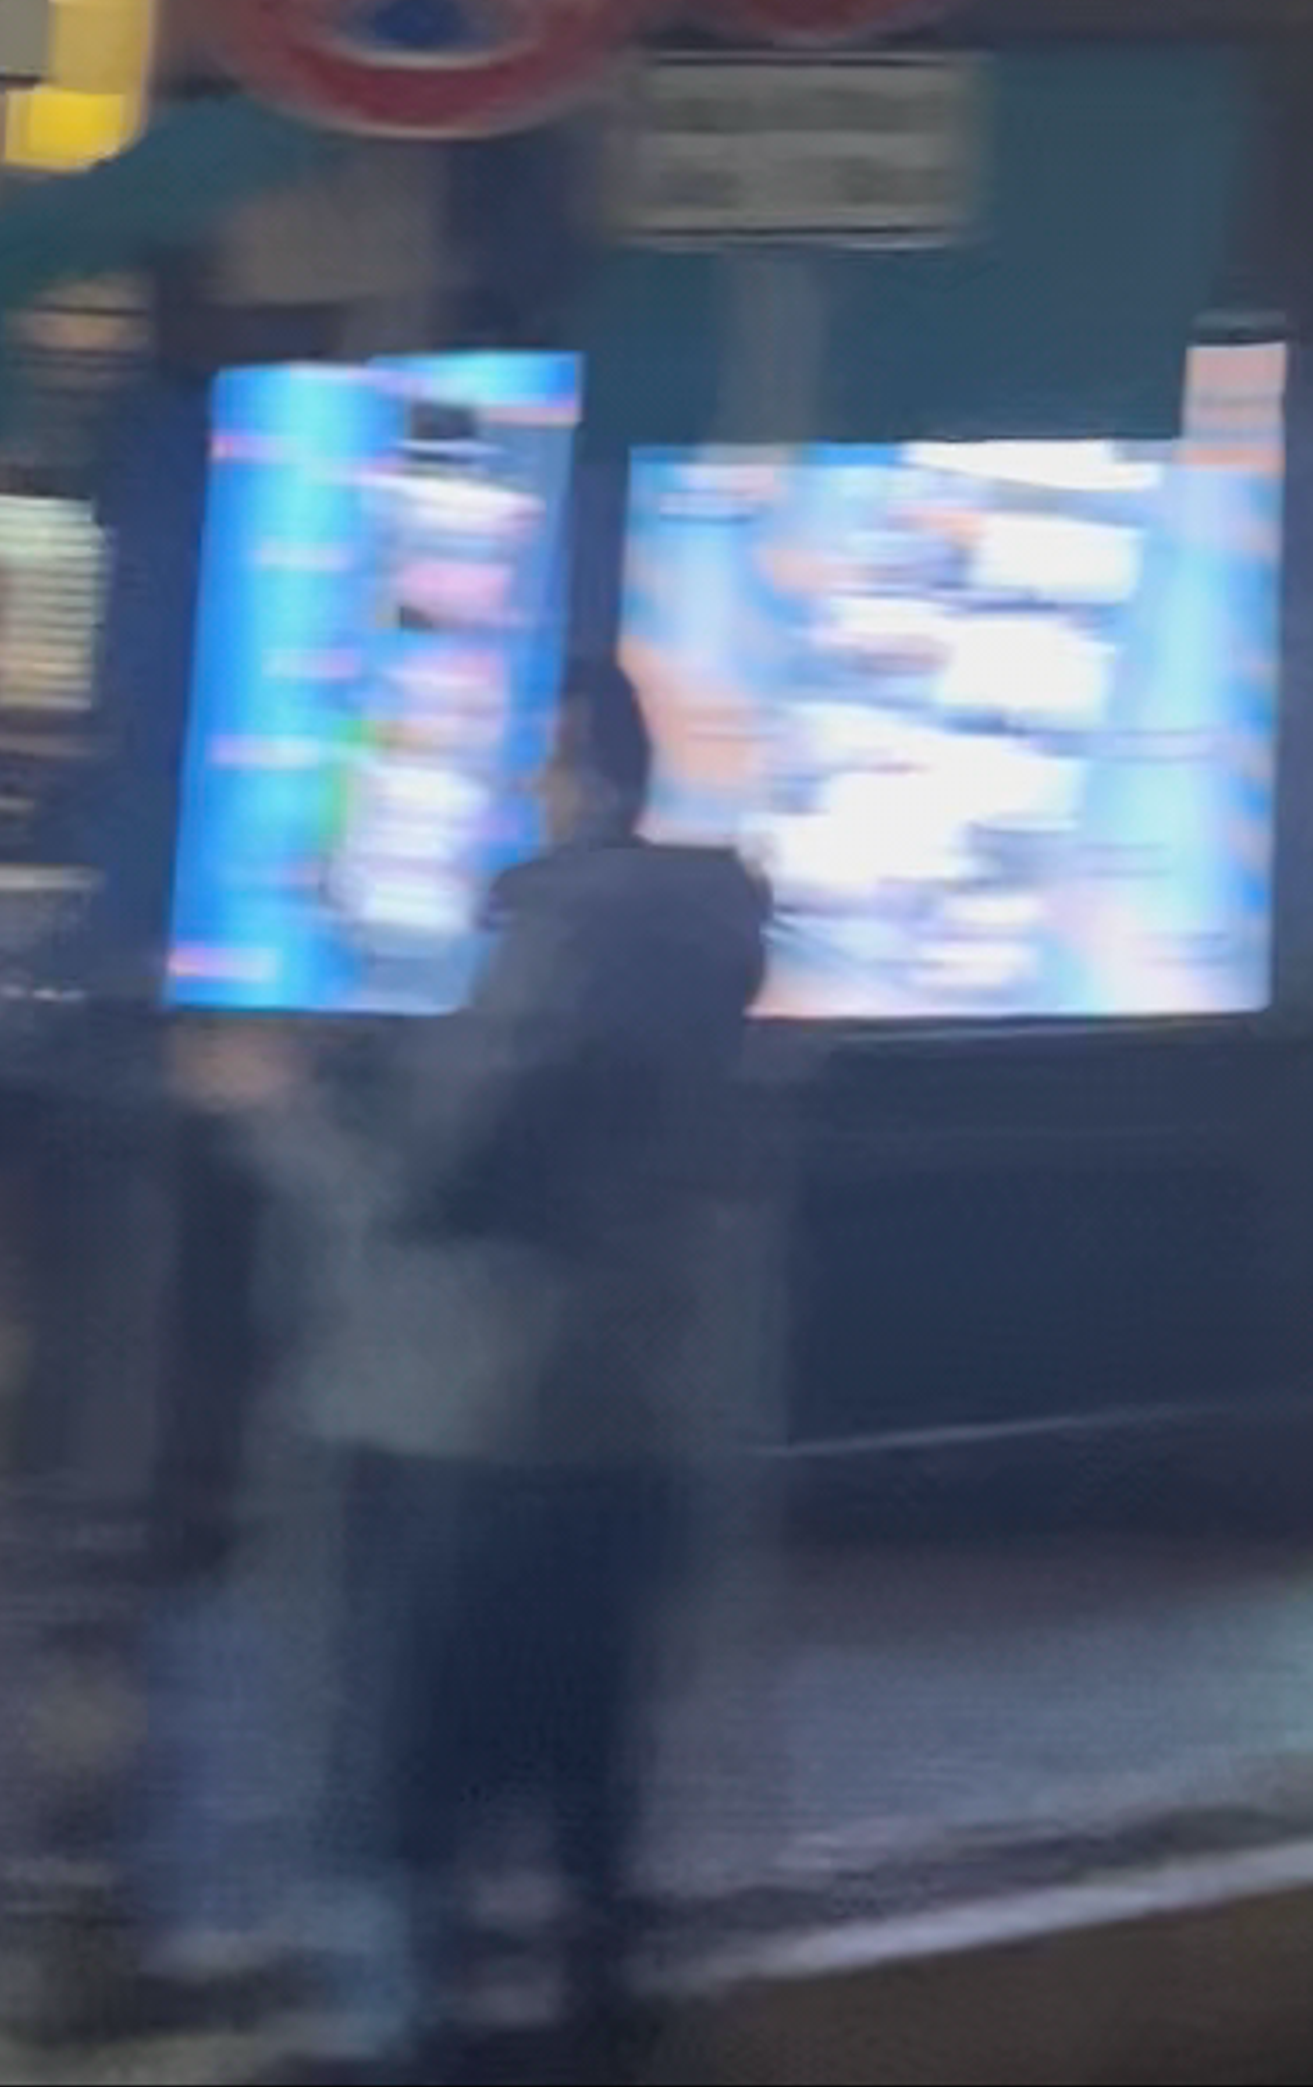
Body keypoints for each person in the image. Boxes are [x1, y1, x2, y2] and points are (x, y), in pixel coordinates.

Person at [194, 656, 768, 2079]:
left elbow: (425, 1179)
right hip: (620, 1425)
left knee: (401, 1810)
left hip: (458, 1422)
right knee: (587, 1810)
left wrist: (273, 1103)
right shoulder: (689, 938)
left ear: (568, 774)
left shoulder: (560, 940)